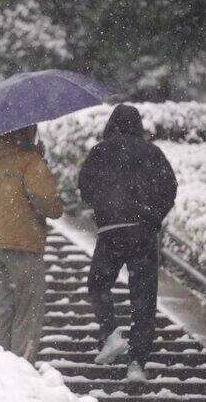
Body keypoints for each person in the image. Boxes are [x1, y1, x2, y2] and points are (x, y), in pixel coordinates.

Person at [78, 104, 177, 380]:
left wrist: (104, 206)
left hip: (111, 230)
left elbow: (85, 188)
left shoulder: (100, 151)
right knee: (143, 298)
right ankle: (137, 362)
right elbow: (170, 188)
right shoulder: (152, 152)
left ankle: (110, 333)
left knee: (98, 285)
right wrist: (154, 215)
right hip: (142, 232)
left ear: (111, 124)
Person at [0, 124, 63, 364]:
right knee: (29, 307)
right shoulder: (30, 160)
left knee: (3, 304)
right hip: (23, 241)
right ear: (28, 131)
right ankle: (22, 367)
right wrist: (39, 160)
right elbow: (47, 200)